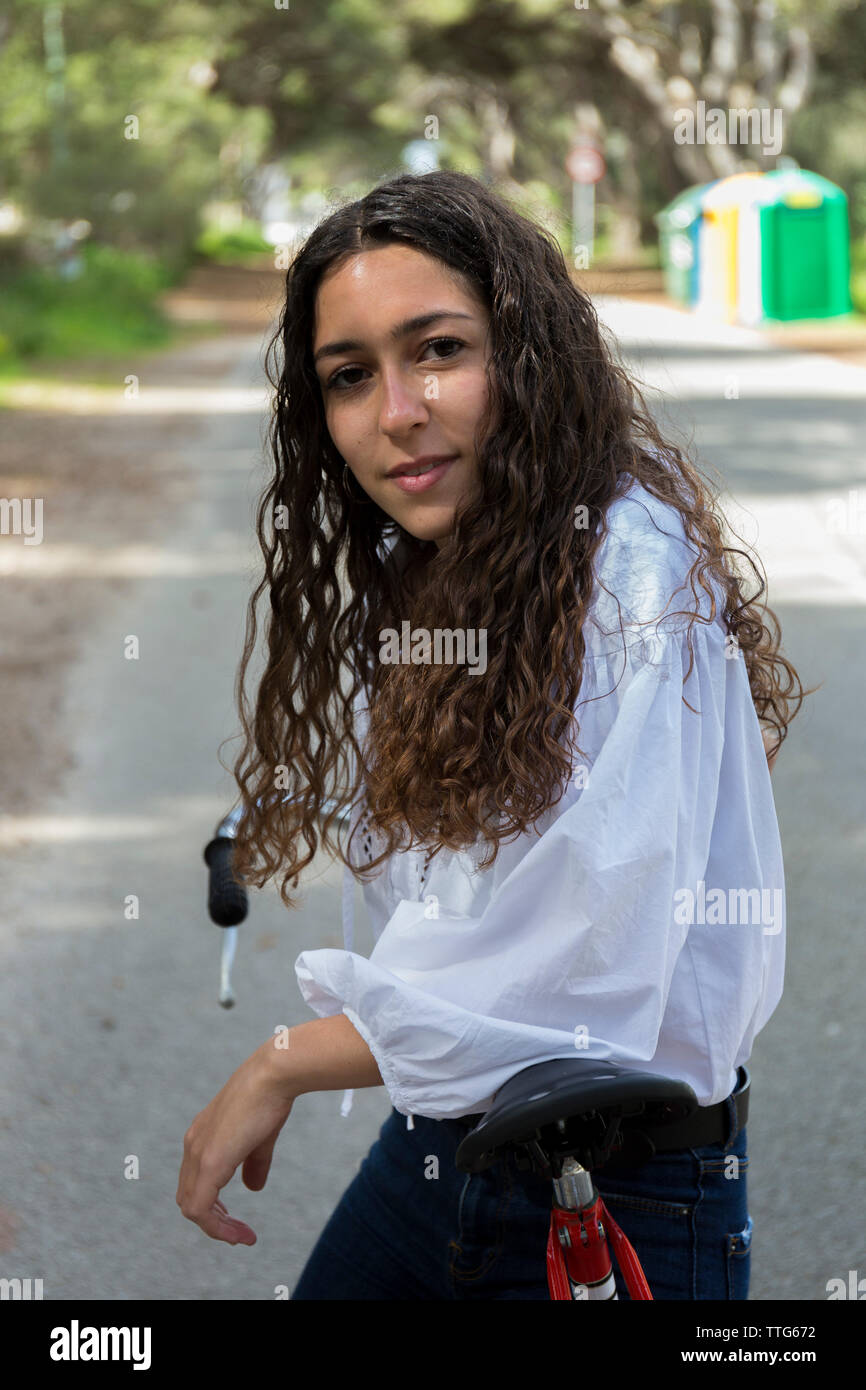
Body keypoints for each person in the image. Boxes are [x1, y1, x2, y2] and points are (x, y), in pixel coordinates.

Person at [176, 170, 816, 1299]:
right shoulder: (429, 563)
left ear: (525, 353)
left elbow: (575, 972)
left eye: (437, 350)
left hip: (617, 1189)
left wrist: (285, 1061)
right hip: (438, 1150)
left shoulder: (625, 569)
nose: (396, 412)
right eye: (349, 375)